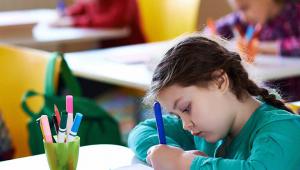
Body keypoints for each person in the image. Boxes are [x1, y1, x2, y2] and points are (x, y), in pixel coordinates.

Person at [128, 35, 300, 169]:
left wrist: (183, 163)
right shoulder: (208, 126)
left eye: (186, 108)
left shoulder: (283, 128)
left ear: (219, 81)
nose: (185, 125)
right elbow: (142, 131)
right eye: (177, 116)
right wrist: (166, 155)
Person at [51, 0, 145, 45]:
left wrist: (73, 22)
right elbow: (81, 8)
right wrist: (66, 13)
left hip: (128, 48)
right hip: (105, 48)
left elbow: (114, 21)